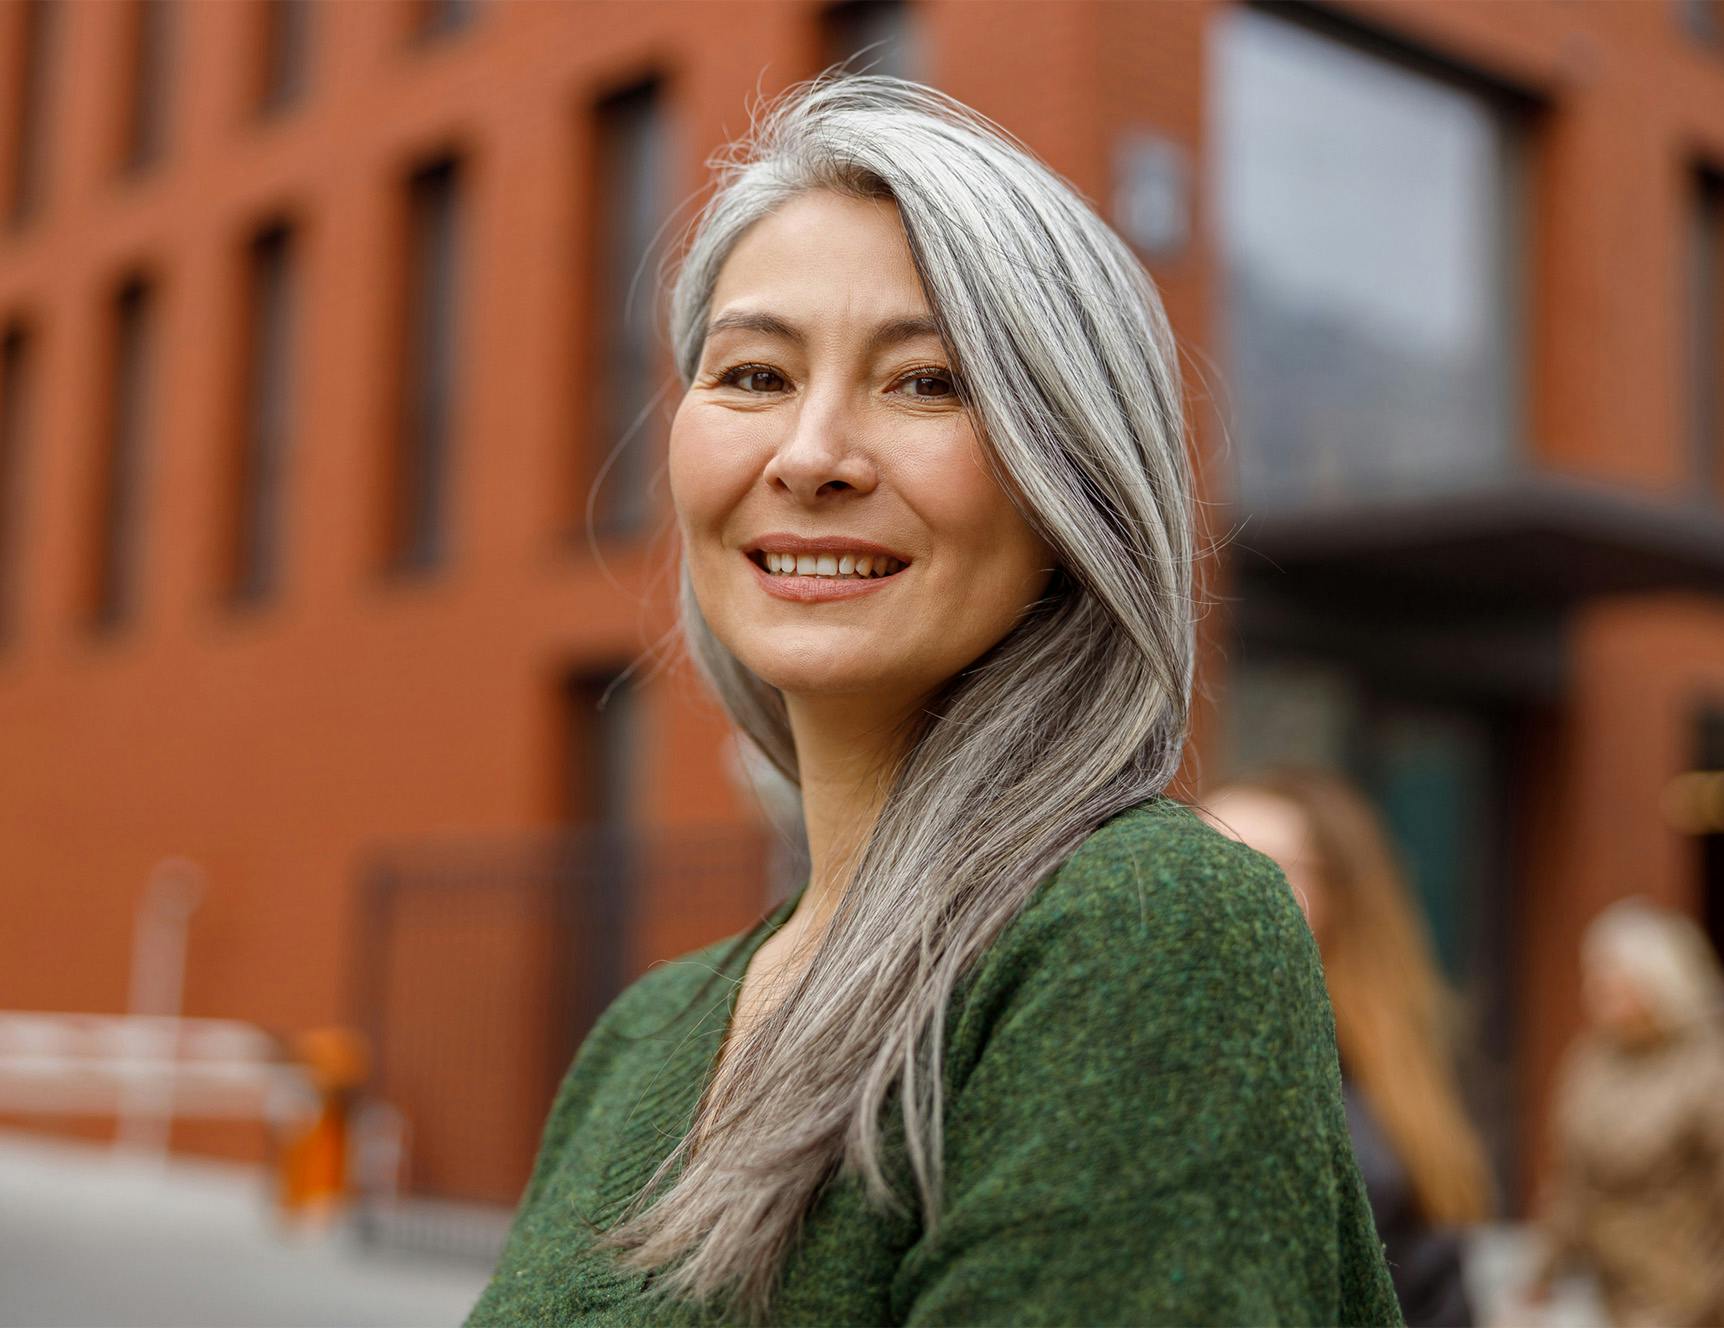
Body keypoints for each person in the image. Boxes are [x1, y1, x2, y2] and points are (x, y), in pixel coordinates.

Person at [464, 74, 1401, 1327]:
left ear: (1071, 481)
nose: (808, 454)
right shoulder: (639, 1036)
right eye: (751, 374)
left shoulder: (1144, 927)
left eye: (924, 383)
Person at [1202, 769, 1495, 1327]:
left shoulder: (1380, 1084)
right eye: (1197, 858)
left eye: (1255, 863)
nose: (1214, 887)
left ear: (1339, 899)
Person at [1527, 897, 1724, 1327]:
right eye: (1592, 978)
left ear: (1655, 985)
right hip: (1613, 1288)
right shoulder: (1592, 1062)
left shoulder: (1706, 1065)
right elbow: (1570, 1180)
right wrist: (1544, 1268)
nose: (1593, 993)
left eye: (1610, 981)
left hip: (1686, 1293)